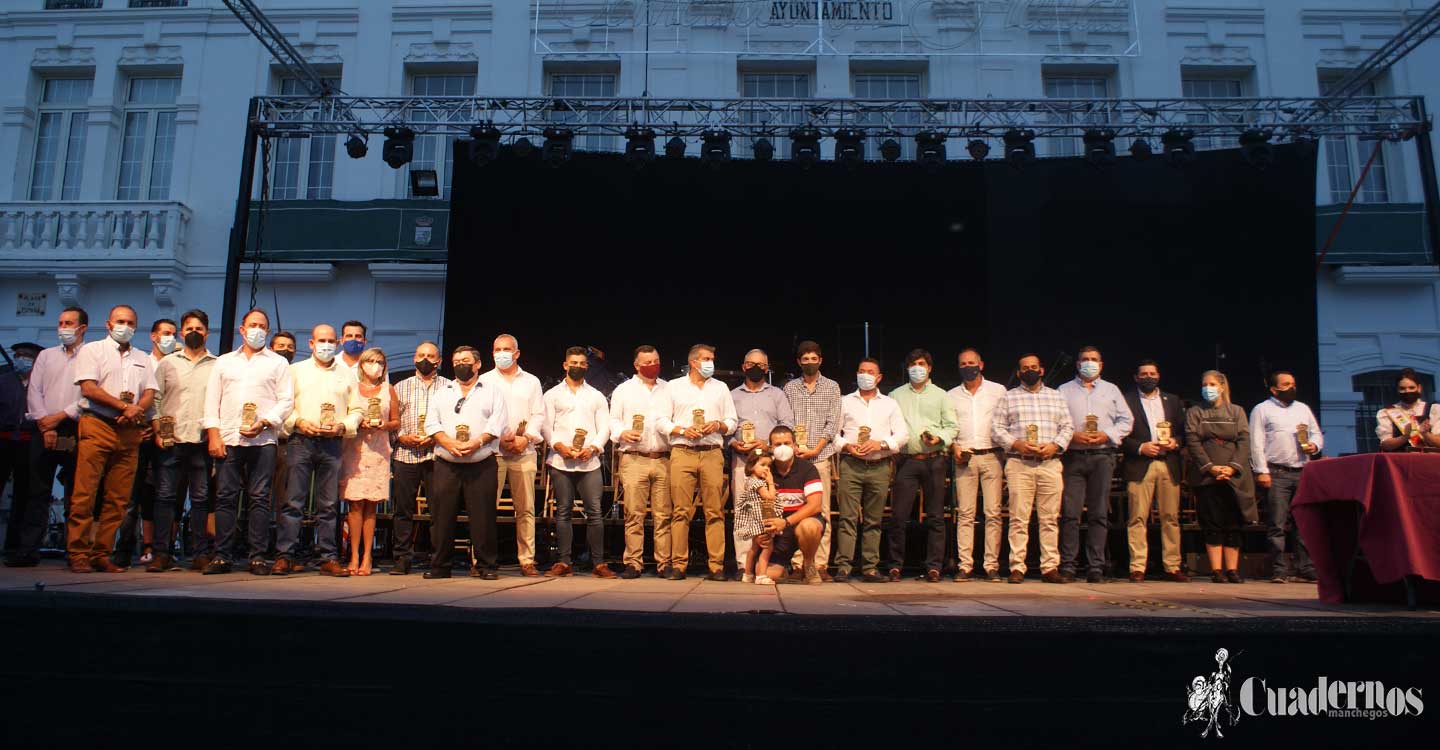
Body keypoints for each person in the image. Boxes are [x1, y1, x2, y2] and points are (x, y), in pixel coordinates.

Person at [66, 304, 158, 573]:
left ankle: (101, 553)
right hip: (98, 424)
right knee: (85, 493)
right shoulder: (92, 350)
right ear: (108, 324)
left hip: (129, 430)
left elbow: (150, 392)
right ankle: (79, 553)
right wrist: (123, 407)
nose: (125, 326)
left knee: (118, 498)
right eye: (120, 321)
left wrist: (135, 410)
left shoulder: (142, 357)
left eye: (130, 322)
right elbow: (89, 388)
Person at [202, 308, 294, 575]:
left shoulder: (278, 363)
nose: (257, 330)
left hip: (263, 439)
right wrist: (213, 434)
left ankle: (257, 557)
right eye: (252, 325)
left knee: (260, 498)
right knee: (225, 497)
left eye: (262, 326)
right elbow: (212, 400)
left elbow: (286, 400)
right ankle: (222, 556)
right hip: (228, 437)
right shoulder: (224, 362)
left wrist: (265, 421)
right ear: (242, 329)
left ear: (267, 332)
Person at [278, 324, 361, 577]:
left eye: (330, 341)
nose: (326, 345)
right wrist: (299, 422)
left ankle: (328, 557)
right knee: (293, 501)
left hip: (332, 443)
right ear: (311, 344)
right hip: (300, 441)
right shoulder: (294, 371)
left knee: (328, 504)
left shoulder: (348, 375)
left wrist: (340, 426)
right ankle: (285, 556)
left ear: (337, 344)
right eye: (320, 341)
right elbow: (284, 405)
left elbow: (357, 411)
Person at [7, 308, 86, 567]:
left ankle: (75, 551)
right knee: (36, 490)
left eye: (70, 323)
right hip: (43, 428)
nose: (64, 328)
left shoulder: (91, 356)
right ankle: (27, 550)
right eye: (61, 322)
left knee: (76, 493)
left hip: (74, 427)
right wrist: (45, 422)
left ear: (82, 328)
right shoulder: (46, 356)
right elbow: (34, 391)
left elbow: (88, 395)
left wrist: (61, 416)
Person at [653, 344, 736, 581]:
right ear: (693, 362)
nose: (711, 362)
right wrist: (681, 430)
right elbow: (660, 420)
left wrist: (719, 425)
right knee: (680, 510)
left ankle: (716, 566)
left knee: (715, 510)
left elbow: (732, 420)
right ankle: (679, 564)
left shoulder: (720, 388)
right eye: (707, 358)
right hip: (683, 451)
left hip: (711, 451)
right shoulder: (673, 387)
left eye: (712, 358)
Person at [423, 346, 506, 579]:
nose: (461, 364)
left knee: (483, 518)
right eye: (457, 360)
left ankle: (486, 566)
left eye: (466, 360)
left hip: (481, 463)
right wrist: (448, 443)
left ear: (477, 364)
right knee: (442, 517)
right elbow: (431, 424)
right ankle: (440, 567)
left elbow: (497, 423)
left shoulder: (492, 391)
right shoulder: (442, 392)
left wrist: (477, 442)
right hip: (446, 462)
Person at [992, 353, 1074, 584]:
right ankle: (1017, 567)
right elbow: (997, 429)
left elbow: (1068, 426)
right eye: (1025, 368)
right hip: (1020, 463)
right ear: (1019, 372)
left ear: (1041, 370)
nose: (1030, 370)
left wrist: (1055, 445)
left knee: (1049, 519)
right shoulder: (1009, 397)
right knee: (1019, 518)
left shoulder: (1056, 397)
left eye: (1034, 367)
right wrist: (1016, 444)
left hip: (1049, 462)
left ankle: (1050, 567)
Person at [146, 309, 217, 573]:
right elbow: (155, 400)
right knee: (165, 497)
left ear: (207, 333)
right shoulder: (168, 363)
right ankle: (161, 553)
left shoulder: (216, 364)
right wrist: (157, 431)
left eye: (199, 329)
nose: (194, 333)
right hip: (171, 441)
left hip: (200, 441)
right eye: (189, 328)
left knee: (200, 499)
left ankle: (199, 554)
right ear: (181, 332)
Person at [1056, 346, 1133, 583]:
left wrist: (1107, 434)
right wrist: (1071, 437)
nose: (1089, 363)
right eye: (1084, 360)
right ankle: (1068, 565)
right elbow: (1056, 420)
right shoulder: (1063, 390)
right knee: (1070, 513)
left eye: (1094, 360)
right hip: (1073, 456)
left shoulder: (1111, 390)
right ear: (1077, 364)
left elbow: (1126, 420)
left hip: (1102, 456)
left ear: (1101, 365)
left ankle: (1095, 566)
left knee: (1099, 513)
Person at [832, 357, 907, 583]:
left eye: (870, 371)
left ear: (879, 377)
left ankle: (870, 567)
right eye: (861, 370)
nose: (865, 375)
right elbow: (832, 434)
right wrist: (847, 446)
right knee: (847, 518)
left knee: (874, 520)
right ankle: (843, 566)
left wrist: (881, 444)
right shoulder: (845, 401)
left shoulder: (890, 404)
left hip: (879, 466)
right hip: (851, 465)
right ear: (856, 374)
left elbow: (903, 435)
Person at [541, 347, 614, 578]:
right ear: (565, 365)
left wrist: (593, 447)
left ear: (587, 367)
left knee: (594, 512)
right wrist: (558, 445)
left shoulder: (596, 395)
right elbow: (546, 426)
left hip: (589, 462)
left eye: (582, 363)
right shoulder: (552, 394)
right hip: (561, 461)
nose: (578, 366)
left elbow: (605, 427)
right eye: (574, 362)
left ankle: (599, 564)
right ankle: (564, 563)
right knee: (563, 511)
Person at [886, 349, 956, 582]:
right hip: (907, 460)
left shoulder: (941, 395)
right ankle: (896, 565)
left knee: (936, 516)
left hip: (934, 460)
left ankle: (934, 566)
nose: (918, 368)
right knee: (898, 516)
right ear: (907, 369)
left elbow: (951, 426)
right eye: (913, 364)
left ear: (929, 368)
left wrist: (939, 438)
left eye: (922, 364)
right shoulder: (895, 395)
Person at [479, 334, 545, 576]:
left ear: (517, 353)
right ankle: (482, 560)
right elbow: (480, 416)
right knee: (486, 507)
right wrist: (499, 438)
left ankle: (527, 560)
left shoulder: (532, 382)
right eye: (497, 349)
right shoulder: (483, 380)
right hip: (492, 452)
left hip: (523, 450)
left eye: (507, 349)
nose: (502, 353)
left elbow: (539, 414)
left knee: (525, 508)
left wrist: (525, 437)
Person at [1250, 370, 1323, 584]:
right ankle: (1278, 569)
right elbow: (1256, 442)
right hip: (1276, 472)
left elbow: (1316, 433)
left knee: (1303, 522)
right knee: (1277, 523)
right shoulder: (1262, 409)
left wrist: (1314, 445)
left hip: (1301, 470)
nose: (1291, 387)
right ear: (1274, 389)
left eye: (1293, 383)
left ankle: (1305, 567)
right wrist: (1261, 471)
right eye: (1286, 384)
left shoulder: (1303, 409)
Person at [114, 317, 176, 567]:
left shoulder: (177, 363)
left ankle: (162, 550)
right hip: (140, 435)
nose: (169, 337)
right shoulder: (141, 362)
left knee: (164, 495)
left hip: (167, 437)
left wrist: (162, 431)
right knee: (130, 497)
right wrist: (143, 426)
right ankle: (123, 548)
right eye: (164, 333)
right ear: (153, 336)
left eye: (173, 333)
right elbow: (141, 398)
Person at [1185, 371, 1257, 584]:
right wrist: (1210, 467)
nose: (1208, 388)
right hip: (1207, 476)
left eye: (1212, 384)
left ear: (1223, 386)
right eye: (1205, 384)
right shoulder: (1195, 412)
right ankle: (1216, 570)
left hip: (1234, 476)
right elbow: (1193, 441)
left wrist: (1232, 467)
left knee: (1234, 522)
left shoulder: (1237, 411)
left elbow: (1244, 441)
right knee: (1212, 522)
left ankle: (1232, 570)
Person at [1120, 360, 1188, 583]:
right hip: (1140, 463)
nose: (1148, 377)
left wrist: (1175, 443)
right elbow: (1119, 435)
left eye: (1152, 373)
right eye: (1144, 374)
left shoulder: (1173, 400)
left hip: (1168, 462)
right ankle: (1137, 566)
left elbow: (1183, 432)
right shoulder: (1126, 400)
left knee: (1171, 517)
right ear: (1136, 377)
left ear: (1158, 376)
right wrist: (1140, 447)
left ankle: (1172, 566)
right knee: (1137, 517)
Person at [728, 348, 793, 578]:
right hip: (743, 462)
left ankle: (769, 562)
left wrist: (766, 443)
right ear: (744, 366)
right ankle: (743, 565)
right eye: (751, 363)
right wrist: (733, 443)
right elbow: (727, 427)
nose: (756, 368)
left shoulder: (777, 395)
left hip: (769, 463)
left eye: (761, 365)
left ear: (767, 368)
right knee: (743, 512)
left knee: (769, 508)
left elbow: (787, 425)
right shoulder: (732, 395)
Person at [609, 345, 671, 579]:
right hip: (634, 458)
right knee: (634, 513)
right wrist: (622, 433)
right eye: (647, 362)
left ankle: (664, 562)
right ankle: (634, 562)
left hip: (664, 458)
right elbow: (613, 420)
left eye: (656, 360)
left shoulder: (668, 389)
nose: (653, 365)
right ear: (636, 365)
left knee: (663, 514)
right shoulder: (623, 390)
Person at [947, 347, 1007, 582]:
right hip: (965, 458)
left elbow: (1006, 422)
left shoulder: (998, 391)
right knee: (965, 514)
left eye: (971, 363)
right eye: (963, 364)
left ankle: (991, 565)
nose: (967, 367)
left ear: (981, 365)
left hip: (992, 455)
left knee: (993, 513)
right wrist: (955, 448)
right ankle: (966, 566)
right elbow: (949, 427)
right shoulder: (951, 395)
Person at [782, 340, 841, 580]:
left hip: (820, 457)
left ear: (820, 360)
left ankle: (820, 564)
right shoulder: (789, 388)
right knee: (797, 509)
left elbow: (833, 423)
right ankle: (799, 565)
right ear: (799, 362)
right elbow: (785, 420)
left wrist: (815, 449)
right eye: (804, 359)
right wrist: (794, 448)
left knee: (821, 511)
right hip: (795, 458)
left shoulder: (832, 387)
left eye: (813, 358)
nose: (809, 362)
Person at [389, 341, 450, 575]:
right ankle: (402, 559)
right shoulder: (400, 387)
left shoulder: (449, 387)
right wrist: (402, 437)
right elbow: (392, 420)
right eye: (421, 355)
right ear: (414, 358)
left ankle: (438, 559)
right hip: (406, 454)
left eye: (431, 356)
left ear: (439, 361)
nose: (426, 359)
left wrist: (437, 437)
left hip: (437, 454)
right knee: (403, 509)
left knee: (439, 510)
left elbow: (453, 421)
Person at [341, 347, 398, 576]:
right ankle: (353, 555)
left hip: (378, 451)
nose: (375, 365)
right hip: (354, 448)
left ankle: (367, 556)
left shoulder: (388, 389)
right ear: (362, 364)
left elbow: (396, 422)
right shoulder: (351, 388)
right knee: (354, 504)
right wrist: (357, 423)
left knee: (371, 506)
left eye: (380, 361)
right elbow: (342, 415)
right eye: (371, 361)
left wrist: (384, 425)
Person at [760, 426, 825, 585]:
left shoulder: (808, 469)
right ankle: (784, 568)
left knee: (810, 526)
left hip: (799, 525)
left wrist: (787, 522)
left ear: (795, 446)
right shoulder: (764, 471)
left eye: (787, 443)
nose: (782, 448)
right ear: (770, 448)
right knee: (769, 575)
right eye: (777, 444)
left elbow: (815, 505)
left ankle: (808, 564)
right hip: (777, 533)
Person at [2, 342, 41, 564]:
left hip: (28, 442)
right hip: (4, 440)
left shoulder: (39, 382)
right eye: (18, 355)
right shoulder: (4, 380)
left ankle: (15, 546)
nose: (21, 358)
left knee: (24, 496)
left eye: (27, 355)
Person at [734, 451, 778, 585]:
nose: (766, 468)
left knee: (754, 547)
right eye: (762, 465)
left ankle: (748, 574)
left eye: (768, 466)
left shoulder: (753, 481)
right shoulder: (757, 483)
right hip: (762, 517)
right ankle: (761, 575)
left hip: (760, 515)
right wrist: (771, 483)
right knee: (767, 546)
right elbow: (770, 497)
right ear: (752, 466)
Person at [1377, 368, 1440, 451]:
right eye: (1402, 388)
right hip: (1400, 461)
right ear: (1397, 390)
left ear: (1419, 388)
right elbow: (1385, 445)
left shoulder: (1434, 409)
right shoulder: (1386, 412)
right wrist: (1405, 436)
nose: (1407, 391)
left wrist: (1426, 434)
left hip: (1428, 461)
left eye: (1411, 387)